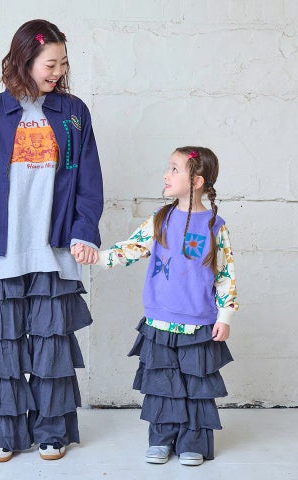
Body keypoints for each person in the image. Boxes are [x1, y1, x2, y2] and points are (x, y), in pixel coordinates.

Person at [0, 19, 103, 463]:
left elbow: (89, 180)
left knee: (51, 347)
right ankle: (3, 432)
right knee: (3, 349)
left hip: (54, 247)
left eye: (63, 64)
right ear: (25, 60)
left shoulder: (74, 112)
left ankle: (52, 431)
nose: (58, 72)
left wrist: (84, 231)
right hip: (6, 248)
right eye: (49, 64)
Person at [81, 146, 238, 466]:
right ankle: (162, 439)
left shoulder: (215, 226)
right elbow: (131, 249)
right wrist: (97, 257)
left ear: (197, 181)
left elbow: (225, 275)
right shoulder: (161, 219)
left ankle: (193, 442)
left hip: (198, 325)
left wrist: (225, 316)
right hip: (159, 323)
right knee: (162, 386)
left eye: (174, 169)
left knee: (196, 387)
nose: (166, 175)